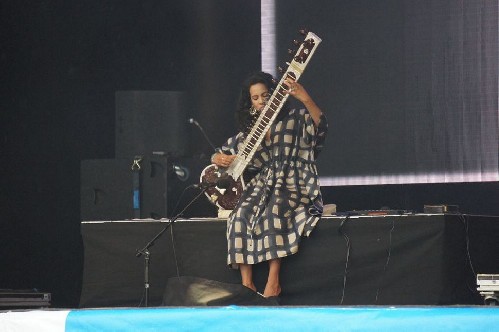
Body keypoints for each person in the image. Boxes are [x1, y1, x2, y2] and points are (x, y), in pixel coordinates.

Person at [211, 71, 327, 298]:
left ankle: (274, 280)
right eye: (255, 98)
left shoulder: (295, 118)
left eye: (265, 95)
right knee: (240, 215)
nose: (261, 101)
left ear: (274, 95)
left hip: (295, 179)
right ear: (250, 103)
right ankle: (247, 284)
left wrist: (304, 97)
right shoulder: (250, 133)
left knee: (274, 210)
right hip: (264, 182)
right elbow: (220, 153)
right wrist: (218, 158)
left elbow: (320, 127)